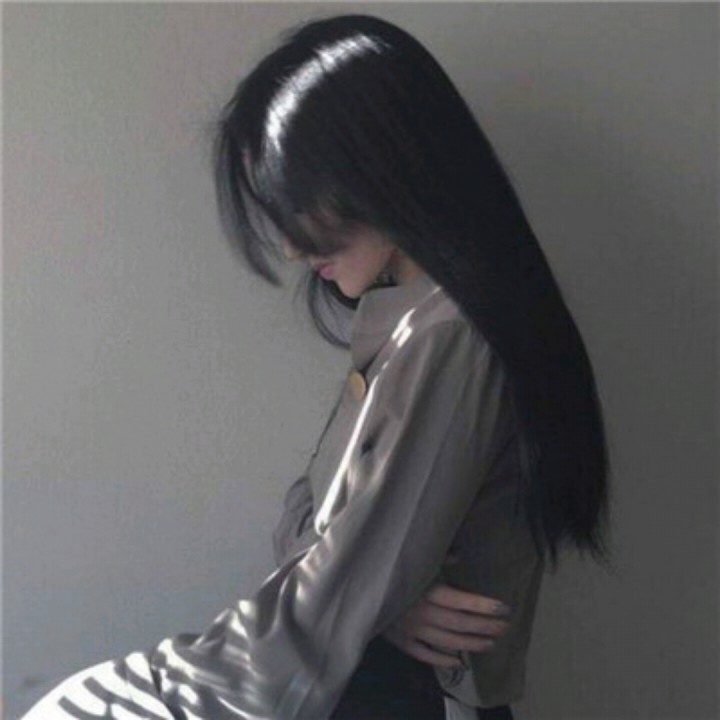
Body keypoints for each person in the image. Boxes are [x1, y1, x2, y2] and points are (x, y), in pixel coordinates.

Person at [20, 13, 610, 720]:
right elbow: (310, 523)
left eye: (300, 204)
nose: (293, 248)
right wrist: (379, 599)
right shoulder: (406, 326)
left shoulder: (451, 338)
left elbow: (331, 592)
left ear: (383, 167)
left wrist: (365, 595)